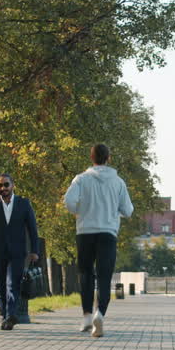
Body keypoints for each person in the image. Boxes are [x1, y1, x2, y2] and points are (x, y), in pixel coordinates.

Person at [63, 143, 134, 338]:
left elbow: (68, 201)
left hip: (85, 231)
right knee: (104, 276)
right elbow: (128, 210)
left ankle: (86, 316)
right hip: (108, 233)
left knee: (85, 273)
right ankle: (99, 314)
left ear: (91, 157)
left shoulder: (81, 179)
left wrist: (80, 212)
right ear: (108, 158)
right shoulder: (118, 182)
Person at [0, 173, 40, 330]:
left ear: (13, 186)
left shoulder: (23, 203)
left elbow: (32, 229)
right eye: (0, 185)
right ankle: (5, 315)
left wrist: (34, 250)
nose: (3, 188)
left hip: (18, 251)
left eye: (6, 185)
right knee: (0, 286)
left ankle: (10, 315)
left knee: (13, 284)